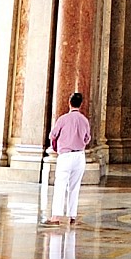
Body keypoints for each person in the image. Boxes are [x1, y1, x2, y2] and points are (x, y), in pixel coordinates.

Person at [43, 91, 91, 224]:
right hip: (79, 156)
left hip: (65, 156)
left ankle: (56, 217)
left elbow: (53, 135)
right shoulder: (84, 120)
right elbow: (87, 138)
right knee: (74, 187)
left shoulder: (63, 119)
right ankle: (72, 216)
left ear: (69, 103)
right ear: (81, 104)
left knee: (60, 185)